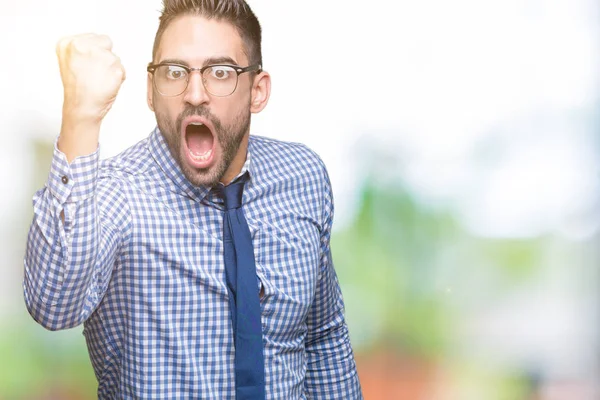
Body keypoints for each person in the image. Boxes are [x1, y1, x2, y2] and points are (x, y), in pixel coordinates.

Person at [23, 0, 363, 399]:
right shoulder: (117, 195)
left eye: (220, 73)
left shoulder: (303, 176)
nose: (195, 94)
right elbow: (53, 305)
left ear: (258, 91)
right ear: (151, 91)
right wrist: (81, 116)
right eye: (175, 72)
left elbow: (324, 337)